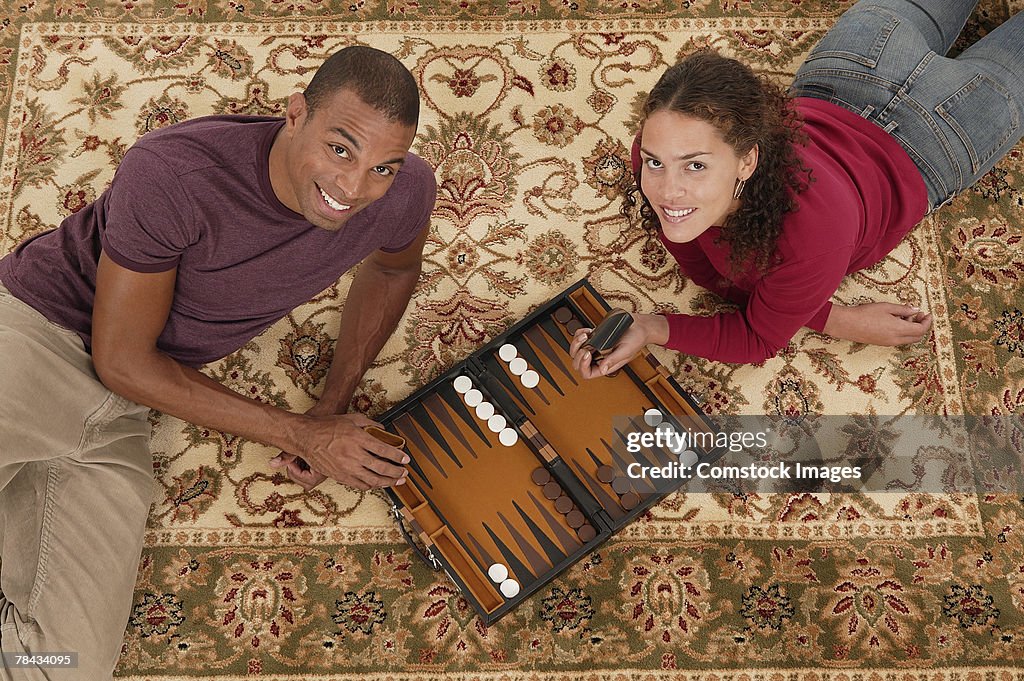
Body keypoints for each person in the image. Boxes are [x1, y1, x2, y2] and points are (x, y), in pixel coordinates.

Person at [0, 45, 436, 679]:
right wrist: (304, 434)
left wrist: (334, 400)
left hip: (129, 405)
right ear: (295, 114)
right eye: (341, 149)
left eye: (383, 167)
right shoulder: (174, 173)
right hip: (40, 333)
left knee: (60, 663)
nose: (354, 187)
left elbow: (394, 269)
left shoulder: (403, 193)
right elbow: (119, 357)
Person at [570, 0, 1023, 374]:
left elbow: (755, 337)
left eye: (695, 166)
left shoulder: (811, 237)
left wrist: (834, 320)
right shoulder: (655, 149)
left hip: (940, 137)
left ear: (748, 159)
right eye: (655, 162)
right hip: (857, 64)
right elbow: (709, 271)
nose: (667, 190)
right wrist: (646, 327)